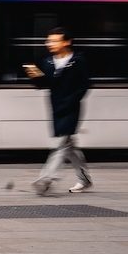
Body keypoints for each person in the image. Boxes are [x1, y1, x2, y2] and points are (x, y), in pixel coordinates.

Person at [23, 26, 92, 195]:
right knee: (69, 146)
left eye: (55, 41)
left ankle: (45, 179)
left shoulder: (78, 60)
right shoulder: (47, 62)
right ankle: (84, 179)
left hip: (72, 108)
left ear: (67, 42)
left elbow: (85, 85)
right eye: (49, 41)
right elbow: (44, 85)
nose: (50, 44)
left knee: (60, 144)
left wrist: (71, 101)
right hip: (55, 108)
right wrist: (34, 76)